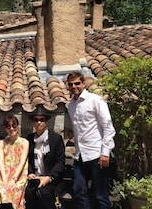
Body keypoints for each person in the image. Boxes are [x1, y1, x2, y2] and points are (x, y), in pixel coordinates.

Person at [66, 71, 116, 209]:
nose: (74, 86)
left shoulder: (95, 100)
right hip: (80, 155)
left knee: (100, 194)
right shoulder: (71, 105)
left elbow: (108, 127)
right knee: (78, 191)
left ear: (83, 84)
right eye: (71, 84)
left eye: (77, 83)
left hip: (97, 154)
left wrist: (105, 152)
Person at [25, 106, 66, 209]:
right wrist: (30, 173)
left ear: (46, 122)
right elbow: (28, 160)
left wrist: (49, 178)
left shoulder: (55, 139)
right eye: (36, 120)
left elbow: (60, 162)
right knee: (28, 193)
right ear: (33, 122)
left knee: (43, 193)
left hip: (52, 180)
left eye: (42, 120)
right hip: (36, 178)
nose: (39, 122)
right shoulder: (30, 139)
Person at [0, 115, 29, 209]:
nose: (11, 128)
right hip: (5, 174)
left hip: (19, 174)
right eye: (8, 126)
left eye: (14, 126)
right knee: (2, 188)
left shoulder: (24, 142)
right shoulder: (1, 143)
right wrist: (5, 179)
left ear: (17, 126)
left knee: (14, 188)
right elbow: (1, 162)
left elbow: (22, 162)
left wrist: (14, 179)